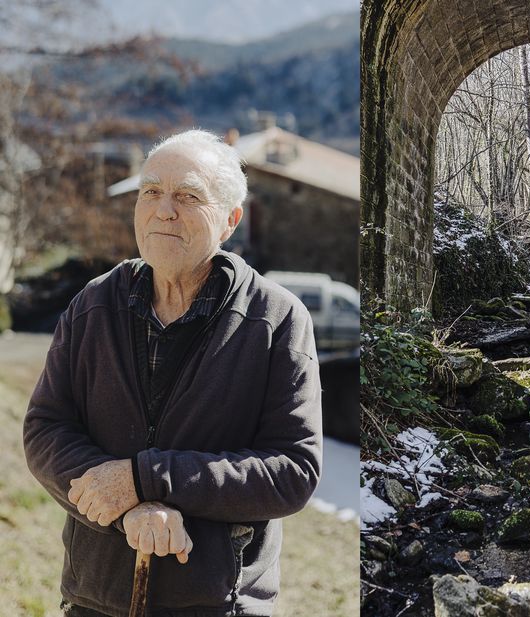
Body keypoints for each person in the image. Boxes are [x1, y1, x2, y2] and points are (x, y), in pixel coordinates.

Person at [23, 129, 323, 617]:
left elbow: (293, 472)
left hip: (219, 603)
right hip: (95, 597)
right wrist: (128, 510)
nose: (164, 210)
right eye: (151, 192)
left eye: (187, 196)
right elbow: (45, 428)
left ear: (229, 220)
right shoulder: (93, 304)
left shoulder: (277, 320)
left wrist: (148, 478)